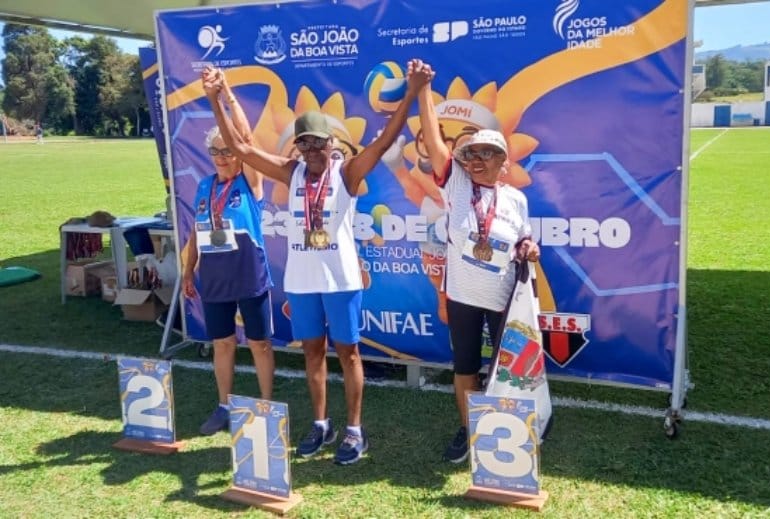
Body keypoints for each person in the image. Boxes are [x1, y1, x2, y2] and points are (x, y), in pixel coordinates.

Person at [202, 62, 430, 464]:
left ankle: (355, 430)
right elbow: (241, 149)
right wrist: (214, 99)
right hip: (303, 281)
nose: (310, 151)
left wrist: (411, 93)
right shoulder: (291, 174)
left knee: (350, 355)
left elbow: (382, 142)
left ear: (331, 144)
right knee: (311, 353)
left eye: (317, 143)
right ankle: (321, 424)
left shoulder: (347, 173)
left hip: (340, 281)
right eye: (303, 143)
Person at [412, 59, 541, 463]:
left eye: (489, 154)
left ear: (505, 161)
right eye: (472, 154)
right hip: (464, 297)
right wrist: (422, 90)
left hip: (505, 299)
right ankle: (471, 432)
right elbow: (434, 140)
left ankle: (507, 432)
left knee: (508, 370)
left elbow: (522, 237)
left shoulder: (516, 198)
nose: (479, 160)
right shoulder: (456, 183)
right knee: (465, 366)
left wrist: (529, 248)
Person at [183, 74, 275, 436]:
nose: (222, 157)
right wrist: (189, 270)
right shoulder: (205, 186)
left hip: (248, 272)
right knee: (222, 342)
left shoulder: (250, 180)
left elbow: (247, 140)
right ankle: (224, 405)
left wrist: (225, 95)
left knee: (259, 343)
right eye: (216, 152)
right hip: (215, 276)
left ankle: (266, 404)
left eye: (228, 151)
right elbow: (195, 229)